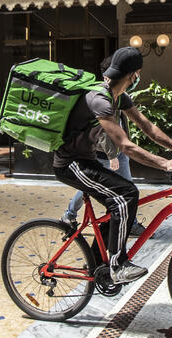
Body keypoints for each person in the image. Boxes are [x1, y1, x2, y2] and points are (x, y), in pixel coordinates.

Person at [53, 47, 172, 284]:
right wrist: (165, 163)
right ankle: (117, 265)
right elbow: (125, 145)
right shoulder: (99, 99)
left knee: (117, 205)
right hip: (69, 163)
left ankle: (98, 266)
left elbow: (149, 128)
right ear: (134, 75)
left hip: (87, 159)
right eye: (137, 75)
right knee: (126, 193)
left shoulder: (119, 97)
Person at [63, 55, 146, 237]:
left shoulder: (119, 94)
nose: (135, 78)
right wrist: (111, 155)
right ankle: (70, 215)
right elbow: (103, 131)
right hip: (105, 154)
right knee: (90, 189)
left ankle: (129, 223)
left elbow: (139, 124)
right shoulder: (101, 97)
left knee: (129, 189)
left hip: (118, 152)